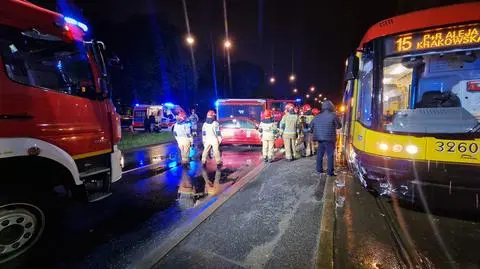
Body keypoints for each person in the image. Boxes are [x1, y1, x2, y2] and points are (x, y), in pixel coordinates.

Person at [310, 100, 342, 176]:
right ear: (331, 107)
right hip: (329, 139)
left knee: (319, 154)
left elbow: (311, 127)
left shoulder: (317, 116)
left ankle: (319, 170)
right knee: (330, 155)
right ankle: (330, 172)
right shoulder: (333, 115)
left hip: (319, 139)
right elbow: (339, 126)